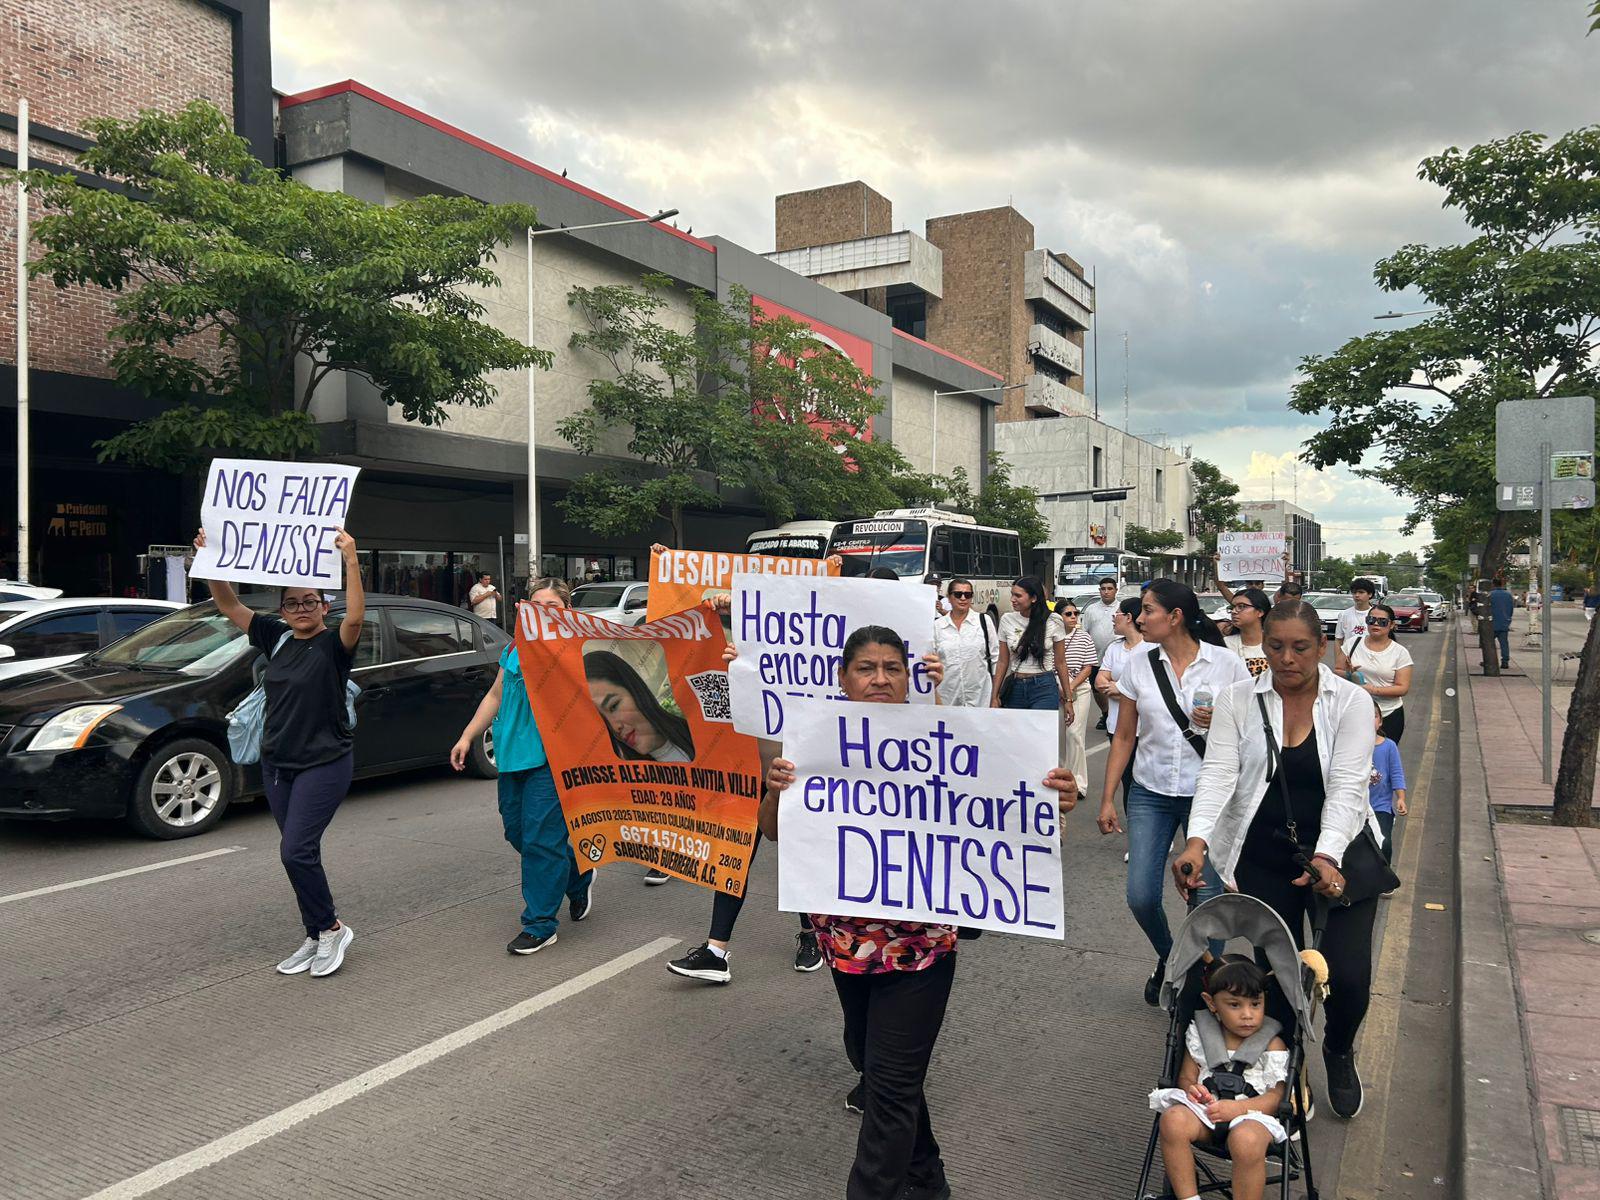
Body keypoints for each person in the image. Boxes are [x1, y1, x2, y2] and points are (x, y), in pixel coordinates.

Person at [762, 626, 1079, 1200]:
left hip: (921, 949)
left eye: (892, 667)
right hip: (845, 945)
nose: (880, 678)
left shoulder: (946, 739)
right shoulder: (814, 739)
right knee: (873, 1061)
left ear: (908, 677)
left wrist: (1053, 795)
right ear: (842, 677)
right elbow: (773, 832)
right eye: (866, 667)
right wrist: (775, 788)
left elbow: (1011, 808)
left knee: (889, 1085)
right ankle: (927, 1181)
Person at [1175, 600, 1384, 1119]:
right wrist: (1198, 842)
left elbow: (1347, 785)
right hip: (1264, 852)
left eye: (1300, 647)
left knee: (1350, 975)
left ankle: (1337, 1049)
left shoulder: (1351, 702)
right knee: (1281, 974)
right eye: (1275, 646)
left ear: (1322, 647)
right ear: (1262, 644)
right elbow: (1219, 773)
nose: (1286, 658)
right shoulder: (1238, 700)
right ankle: (1289, 1073)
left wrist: (1326, 855)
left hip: (1343, 851)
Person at [195, 525, 364, 979]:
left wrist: (350, 559)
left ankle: (331, 929)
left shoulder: (333, 644)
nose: (302, 609)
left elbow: (355, 619)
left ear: (324, 605)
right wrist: (211, 562)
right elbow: (229, 604)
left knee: (296, 851)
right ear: (283, 610)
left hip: (325, 762)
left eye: (311, 601)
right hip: (277, 764)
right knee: (296, 853)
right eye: (292, 603)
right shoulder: (277, 637)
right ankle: (315, 931)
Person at [1099, 579, 1250, 1004]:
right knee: (1141, 896)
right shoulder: (1138, 664)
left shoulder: (1227, 665)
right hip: (1150, 792)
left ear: (1175, 616)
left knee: (1207, 900)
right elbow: (1125, 735)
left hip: (1211, 797)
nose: (1139, 618)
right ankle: (1173, 959)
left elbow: (1252, 735)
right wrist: (1109, 796)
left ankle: (1205, 988)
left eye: (1147, 610)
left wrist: (1220, 717)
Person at [450, 578, 594, 955]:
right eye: (536, 605)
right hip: (512, 758)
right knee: (516, 832)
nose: (542, 612)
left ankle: (540, 924)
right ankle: (578, 875)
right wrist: (467, 736)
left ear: (567, 612)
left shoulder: (576, 648)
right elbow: (496, 693)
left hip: (554, 759)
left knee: (540, 840)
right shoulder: (515, 648)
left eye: (551, 606)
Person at [1151, 956, 1290, 1200]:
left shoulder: (1272, 1044)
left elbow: (1276, 1098)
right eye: (1235, 1005)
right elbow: (1186, 1078)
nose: (1247, 1014)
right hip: (1206, 1112)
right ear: (1211, 1003)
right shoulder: (1200, 1034)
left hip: (1252, 1116)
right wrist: (1194, 1091)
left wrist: (1238, 1109)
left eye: (1255, 1004)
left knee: (1246, 1140)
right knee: (1172, 1120)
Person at [990, 577, 1072, 721]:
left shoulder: (1054, 620)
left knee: (1041, 737)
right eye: (1012, 594)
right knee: (1016, 738)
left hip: (1044, 687)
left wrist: (1068, 700)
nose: (1012, 599)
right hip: (1015, 687)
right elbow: (1002, 661)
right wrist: (994, 696)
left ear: (1033, 598)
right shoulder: (1006, 620)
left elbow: (1061, 663)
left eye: (1018, 595)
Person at [1334, 603, 1413, 743]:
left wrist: (1374, 689)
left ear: (1392, 625)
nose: (1376, 624)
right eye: (1371, 620)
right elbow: (1337, 671)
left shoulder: (1400, 653)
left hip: (1388, 714)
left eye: (1382, 622)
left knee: (1381, 758)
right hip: (1355, 711)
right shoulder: (1352, 643)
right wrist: (1349, 675)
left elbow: (1402, 688)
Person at [932, 577, 996, 708]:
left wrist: (996, 695)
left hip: (980, 697)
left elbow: (995, 658)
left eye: (967, 595)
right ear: (949, 597)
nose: (963, 598)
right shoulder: (937, 626)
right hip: (947, 698)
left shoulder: (984, 621)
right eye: (958, 594)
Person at [1058, 599, 1098, 789]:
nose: (1073, 617)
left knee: (1074, 734)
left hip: (1079, 690)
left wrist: (1070, 687)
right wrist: (1062, 688)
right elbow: (1048, 665)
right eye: (1068, 614)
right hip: (1055, 689)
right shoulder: (1050, 637)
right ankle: (1061, 776)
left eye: (1075, 613)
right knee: (1058, 737)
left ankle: (1078, 783)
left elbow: (1088, 667)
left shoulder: (1084, 637)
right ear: (1059, 617)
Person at [1369, 699, 1407, 865]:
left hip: (1380, 806)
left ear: (1380, 721)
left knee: (1384, 843)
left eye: (1374, 716)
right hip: (1356, 806)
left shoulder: (1389, 746)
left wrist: (1400, 798)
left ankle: (1385, 875)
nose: (1370, 720)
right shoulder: (1350, 745)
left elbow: (1396, 773)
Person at [1081, 578, 1121, 730]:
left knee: (1118, 688)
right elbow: (1084, 633)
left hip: (1116, 659)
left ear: (1115, 590)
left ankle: (1120, 717)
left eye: (1109, 588)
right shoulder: (1091, 609)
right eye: (1103, 588)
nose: (1106, 591)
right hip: (1095, 658)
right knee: (1097, 689)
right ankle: (1106, 714)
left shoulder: (1121, 608)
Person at [1224, 588, 1272, 679]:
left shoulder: (1276, 644)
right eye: (1232, 607)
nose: (1234, 611)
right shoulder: (1225, 645)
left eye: (1241, 606)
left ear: (1260, 612)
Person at [1334, 578, 1377, 643]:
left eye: (1361, 592)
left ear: (1370, 594)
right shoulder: (1344, 614)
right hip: (1348, 653)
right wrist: (1338, 653)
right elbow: (1338, 639)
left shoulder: (1377, 615)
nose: (1357, 595)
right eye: (1354, 592)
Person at [1489, 577, 1515, 669]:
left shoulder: (1490, 595)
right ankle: (1505, 661)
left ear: (1493, 584)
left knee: (1489, 644)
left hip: (1491, 623)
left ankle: (1489, 660)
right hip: (1504, 622)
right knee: (1504, 644)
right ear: (1502, 584)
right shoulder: (1508, 595)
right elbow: (1511, 609)